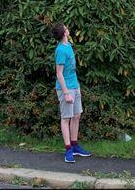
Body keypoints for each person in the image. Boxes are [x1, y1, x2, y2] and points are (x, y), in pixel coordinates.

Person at [51, 22, 91, 163]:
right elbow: (59, 74)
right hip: (65, 89)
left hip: (75, 86)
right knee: (66, 118)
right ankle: (68, 150)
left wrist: (77, 87)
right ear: (63, 33)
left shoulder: (69, 46)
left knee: (76, 115)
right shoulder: (61, 50)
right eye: (66, 28)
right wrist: (66, 92)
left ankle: (74, 146)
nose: (68, 29)